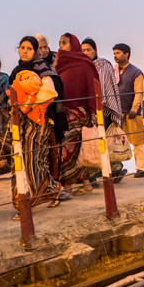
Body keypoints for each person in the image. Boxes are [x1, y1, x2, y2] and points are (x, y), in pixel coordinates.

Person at [8, 36, 69, 213]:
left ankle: (51, 190)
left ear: (35, 51)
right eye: (22, 47)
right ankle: (22, 202)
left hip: (38, 120)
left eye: (29, 48)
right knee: (18, 160)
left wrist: (27, 104)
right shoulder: (16, 71)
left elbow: (50, 93)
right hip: (19, 123)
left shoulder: (44, 69)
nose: (25, 51)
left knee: (33, 160)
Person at [56, 33, 100, 194]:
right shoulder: (59, 63)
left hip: (79, 113)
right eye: (60, 43)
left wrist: (93, 111)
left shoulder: (84, 63)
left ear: (72, 44)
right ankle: (86, 183)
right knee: (71, 149)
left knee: (70, 149)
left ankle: (67, 185)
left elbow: (92, 86)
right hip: (63, 112)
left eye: (65, 43)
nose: (61, 46)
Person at [81, 38, 126, 180]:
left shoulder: (104, 65)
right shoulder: (81, 66)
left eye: (89, 49)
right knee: (90, 142)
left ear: (95, 50)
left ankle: (114, 170)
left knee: (105, 140)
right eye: (83, 50)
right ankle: (93, 176)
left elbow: (107, 88)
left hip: (104, 108)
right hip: (87, 110)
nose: (86, 53)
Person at [113, 43, 144, 178]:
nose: (115, 56)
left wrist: (134, 109)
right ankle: (118, 169)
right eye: (114, 53)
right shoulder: (113, 70)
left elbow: (139, 92)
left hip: (132, 113)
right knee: (117, 142)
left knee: (138, 141)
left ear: (127, 54)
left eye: (118, 53)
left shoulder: (136, 72)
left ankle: (140, 169)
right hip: (117, 113)